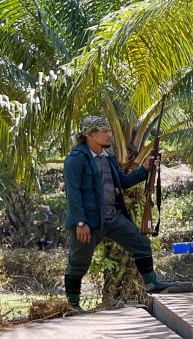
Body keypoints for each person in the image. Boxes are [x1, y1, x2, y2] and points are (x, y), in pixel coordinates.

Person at [62, 116, 170, 312]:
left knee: (141, 243)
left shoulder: (108, 157)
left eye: (109, 130)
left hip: (112, 216)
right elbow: (73, 193)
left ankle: (152, 283)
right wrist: (80, 222)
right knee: (79, 262)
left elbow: (123, 181)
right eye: (104, 131)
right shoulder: (76, 159)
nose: (109, 134)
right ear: (89, 134)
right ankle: (73, 304)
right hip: (89, 220)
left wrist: (144, 169)